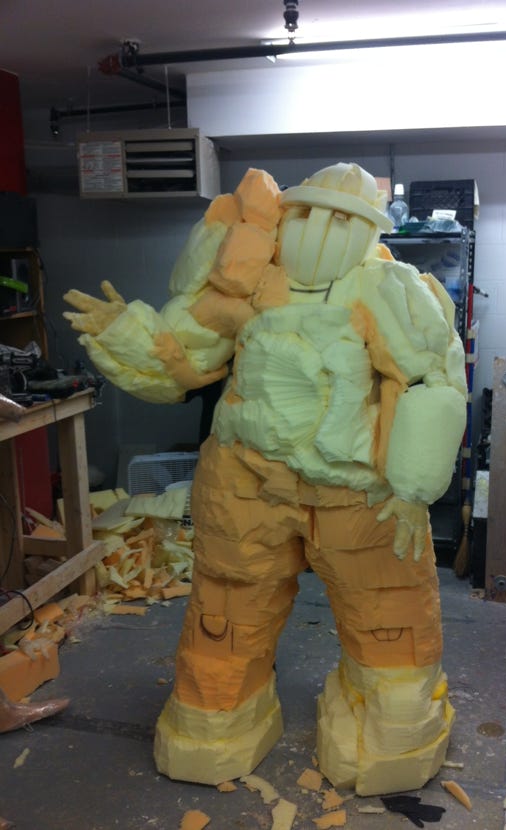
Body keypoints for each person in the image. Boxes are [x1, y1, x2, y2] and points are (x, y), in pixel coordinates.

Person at [64, 162, 466, 796]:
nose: (321, 231)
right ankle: (214, 723)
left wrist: (414, 486)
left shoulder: (389, 289)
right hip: (246, 481)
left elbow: (427, 379)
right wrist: (129, 334)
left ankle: (393, 735)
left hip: (359, 494)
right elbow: (186, 357)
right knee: (229, 606)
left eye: (343, 219)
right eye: (307, 212)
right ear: (287, 213)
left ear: (369, 230)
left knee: (388, 615)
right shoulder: (253, 280)